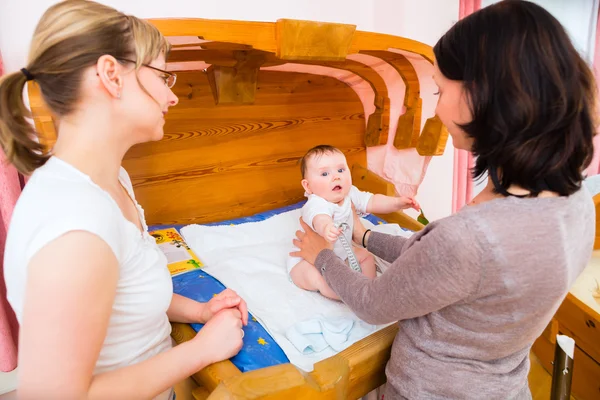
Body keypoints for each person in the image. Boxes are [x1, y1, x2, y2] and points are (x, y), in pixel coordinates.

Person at [290, 1, 597, 399]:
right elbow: (441, 265)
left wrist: (322, 256)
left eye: (440, 90)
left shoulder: (471, 237)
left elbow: (373, 302)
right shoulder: (575, 204)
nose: (436, 107)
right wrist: (365, 238)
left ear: (480, 96)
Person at [0, 1, 248, 399]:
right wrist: (201, 350)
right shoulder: (74, 230)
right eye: (162, 77)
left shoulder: (113, 179)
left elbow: (128, 295)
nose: (173, 97)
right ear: (111, 75)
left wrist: (199, 312)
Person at [288, 144, 419, 300]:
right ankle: (336, 294)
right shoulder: (316, 203)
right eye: (324, 173)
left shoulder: (350, 194)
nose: (336, 176)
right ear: (308, 186)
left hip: (341, 255)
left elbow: (372, 201)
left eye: (341, 170)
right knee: (313, 276)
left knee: (366, 256)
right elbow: (319, 218)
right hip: (310, 259)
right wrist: (326, 227)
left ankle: (369, 289)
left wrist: (397, 203)